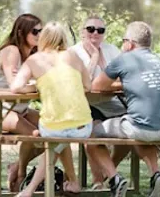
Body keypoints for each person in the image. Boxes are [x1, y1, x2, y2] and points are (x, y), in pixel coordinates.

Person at [11, 23, 107, 197]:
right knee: (60, 140)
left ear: (44, 38)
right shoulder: (74, 56)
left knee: (56, 140)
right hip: (83, 126)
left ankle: (29, 189)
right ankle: (73, 183)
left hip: (54, 126)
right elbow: (87, 85)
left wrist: (36, 87)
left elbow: (15, 87)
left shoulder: (34, 60)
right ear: (64, 39)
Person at [91, 22, 160, 197]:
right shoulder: (159, 60)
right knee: (140, 129)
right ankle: (155, 173)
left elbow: (97, 85)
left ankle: (114, 179)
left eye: (124, 40)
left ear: (129, 43)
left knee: (91, 134)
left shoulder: (124, 58)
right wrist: (130, 82)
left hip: (142, 127)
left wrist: (124, 82)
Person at [0, 13, 44, 192]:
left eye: (42, 31)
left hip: (21, 109)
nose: (40, 35)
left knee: (54, 131)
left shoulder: (34, 54)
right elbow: (15, 87)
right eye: (35, 31)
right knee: (37, 136)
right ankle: (21, 176)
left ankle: (17, 167)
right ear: (21, 32)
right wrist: (35, 86)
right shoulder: (11, 51)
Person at [69, 15, 129, 188]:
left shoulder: (112, 50)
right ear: (82, 32)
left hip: (112, 101)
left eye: (100, 30)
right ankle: (98, 180)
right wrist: (95, 57)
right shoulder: (73, 52)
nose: (95, 33)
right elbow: (84, 85)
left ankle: (108, 173)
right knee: (91, 133)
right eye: (90, 29)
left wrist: (105, 84)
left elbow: (123, 78)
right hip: (85, 103)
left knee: (129, 132)